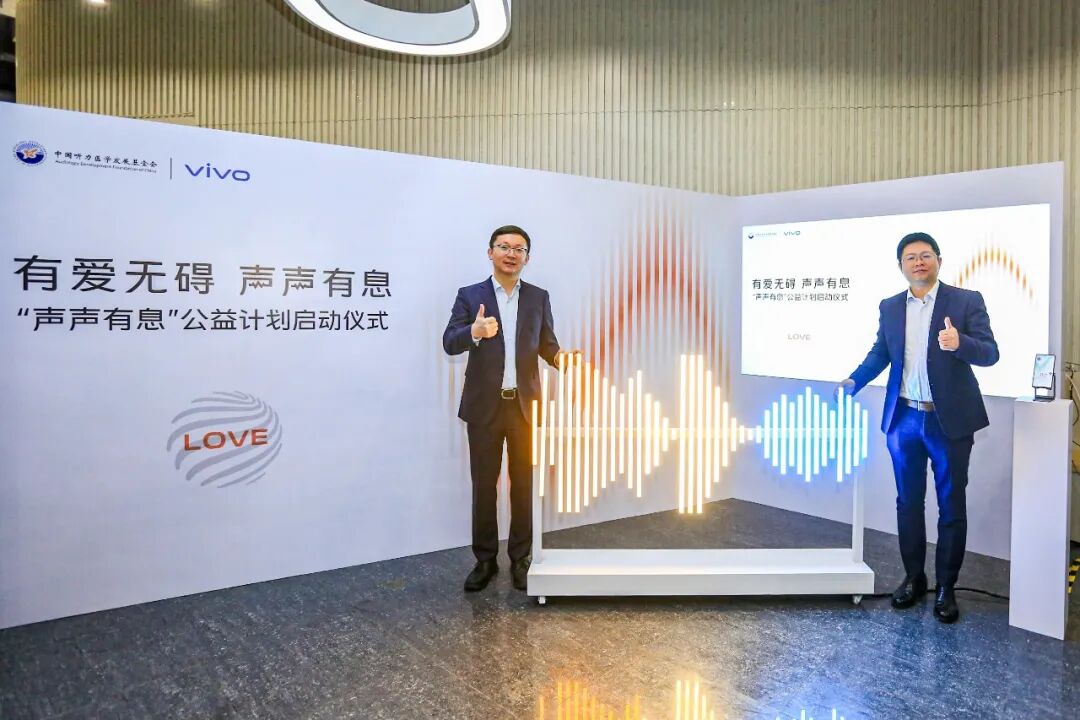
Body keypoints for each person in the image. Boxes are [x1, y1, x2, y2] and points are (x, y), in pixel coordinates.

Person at [839, 231, 999, 623]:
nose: (918, 262)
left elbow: (991, 353)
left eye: (926, 255)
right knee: (908, 503)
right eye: (910, 257)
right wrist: (854, 380)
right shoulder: (891, 306)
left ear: (939, 261)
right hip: (904, 419)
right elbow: (881, 353)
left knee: (951, 505)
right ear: (901, 266)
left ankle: (946, 587)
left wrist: (960, 343)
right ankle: (914, 578)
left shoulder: (965, 301)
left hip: (949, 421)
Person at [442, 225, 564, 592]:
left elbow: (547, 345)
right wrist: (475, 332)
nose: (511, 254)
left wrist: (564, 360)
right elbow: (450, 342)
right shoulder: (470, 295)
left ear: (527, 257)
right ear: (490, 252)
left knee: (524, 486)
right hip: (485, 407)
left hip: (525, 408)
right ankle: (485, 560)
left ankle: (521, 557)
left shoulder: (538, 297)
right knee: (484, 486)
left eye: (519, 249)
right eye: (504, 246)